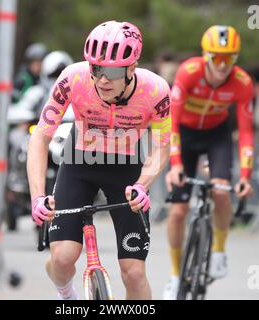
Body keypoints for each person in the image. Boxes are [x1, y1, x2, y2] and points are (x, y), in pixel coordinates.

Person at [27, 20, 172, 300]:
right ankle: (66, 295)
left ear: (131, 68)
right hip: (79, 161)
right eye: (96, 68)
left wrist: (143, 184)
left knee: (134, 272)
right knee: (63, 258)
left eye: (112, 70)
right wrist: (37, 196)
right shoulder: (73, 78)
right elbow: (40, 137)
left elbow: (162, 145)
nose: (102, 79)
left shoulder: (156, 90)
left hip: (127, 169)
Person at [163, 25, 254, 300]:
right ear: (206, 56)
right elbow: (172, 121)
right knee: (178, 212)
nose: (223, 66)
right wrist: (176, 163)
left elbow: (247, 133)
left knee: (221, 190)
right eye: (217, 58)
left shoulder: (243, 83)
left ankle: (219, 250)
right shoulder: (187, 72)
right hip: (186, 137)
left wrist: (246, 176)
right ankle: (176, 275)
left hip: (217, 136)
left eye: (230, 58)